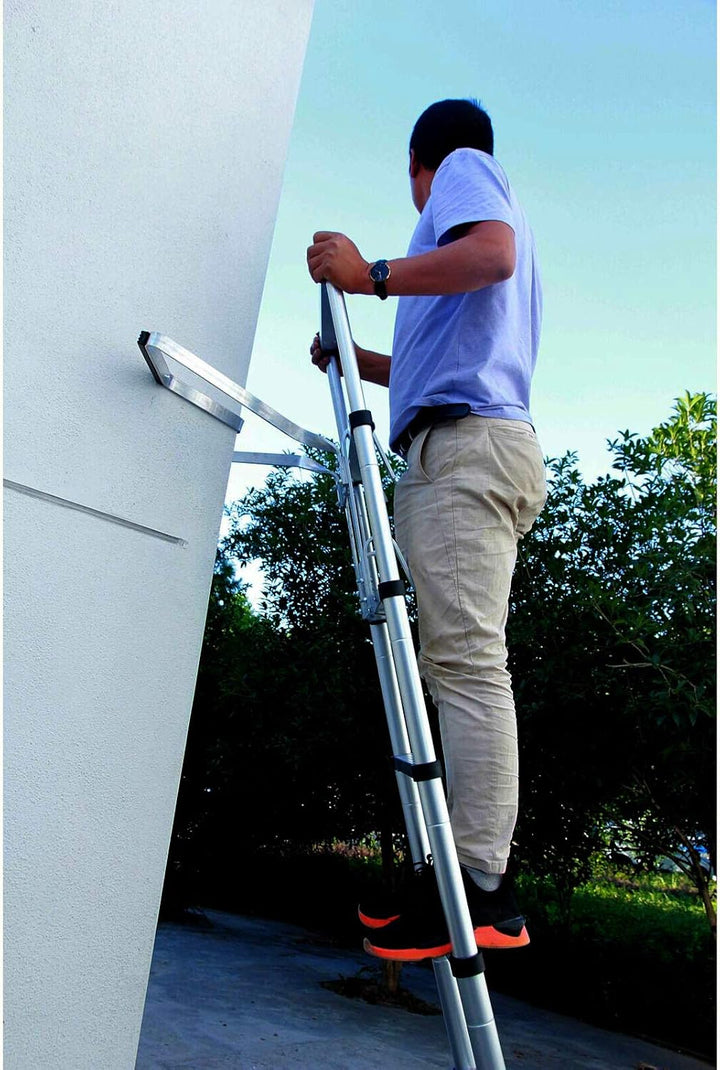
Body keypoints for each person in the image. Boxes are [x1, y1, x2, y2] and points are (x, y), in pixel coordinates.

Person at [307, 98, 546, 961]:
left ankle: (480, 890)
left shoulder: (462, 176)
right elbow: (430, 361)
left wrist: (366, 274)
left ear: (423, 165)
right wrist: (359, 359)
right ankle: (465, 884)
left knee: (469, 667)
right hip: (468, 442)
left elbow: (490, 255)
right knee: (460, 666)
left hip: (465, 450)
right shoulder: (456, 242)